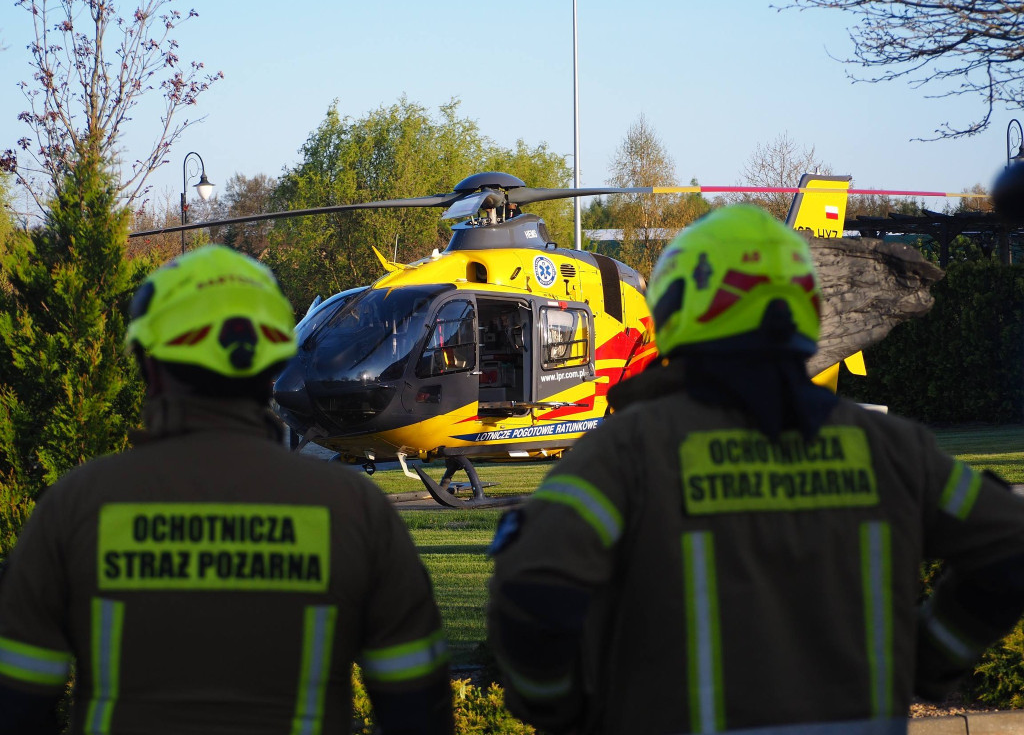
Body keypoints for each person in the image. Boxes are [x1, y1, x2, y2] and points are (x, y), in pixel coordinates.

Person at [486, 205, 1024, 734]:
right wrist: (934, 656)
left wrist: (563, 710)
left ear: (677, 308)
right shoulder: (892, 450)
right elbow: (1008, 544)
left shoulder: (628, 453)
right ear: (806, 309)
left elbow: (532, 589)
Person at [0, 245, 453, 735]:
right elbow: (418, 707)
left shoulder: (77, 506)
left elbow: (15, 704)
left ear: (150, 367)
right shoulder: (354, 512)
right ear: (274, 364)